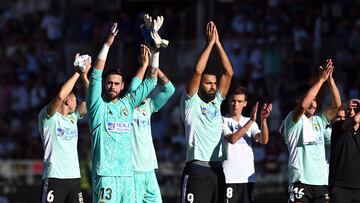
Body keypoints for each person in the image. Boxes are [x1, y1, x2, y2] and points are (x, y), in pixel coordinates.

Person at [86, 23, 158, 203]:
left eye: (116, 83)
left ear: (122, 86)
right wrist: (107, 44)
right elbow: (95, 75)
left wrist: (155, 52)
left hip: (127, 175)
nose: (112, 86)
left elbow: (151, 83)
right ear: (105, 84)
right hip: (106, 175)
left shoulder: (128, 104)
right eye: (109, 83)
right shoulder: (98, 107)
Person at [180, 21, 233, 203]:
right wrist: (209, 44)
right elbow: (197, 71)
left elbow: (228, 73)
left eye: (214, 83)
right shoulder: (190, 102)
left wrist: (218, 43)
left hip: (217, 170)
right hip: (197, 169)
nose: (213, 87)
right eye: (208, 83)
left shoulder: (217, 102)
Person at [283, 59, 341, 203]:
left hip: (321, 182)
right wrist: (321, 80)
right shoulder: (293, 119)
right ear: (298, 100)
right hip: (300, 180)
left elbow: (337, 106)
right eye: (311, 98)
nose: (313, 102)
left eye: (316, 99)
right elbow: (303, 105)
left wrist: (330, 81)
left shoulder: (319, 120)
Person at [38, 53, 90, 203]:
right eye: (75, 100)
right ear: (68, 101)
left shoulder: (73, 118)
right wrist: (76, 72)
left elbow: (90, 102)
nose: (77, 102)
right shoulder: (48, 117)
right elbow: (60, 96)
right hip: (54, 177)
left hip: (74, 178)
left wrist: (85, 76)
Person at [129, 44, 175, 203]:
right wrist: (144, 66)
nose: (144, 92)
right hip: (133, 170)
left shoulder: (148, 106)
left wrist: (154, 66)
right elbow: (133, 89)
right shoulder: (127, 107)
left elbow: (169, 90)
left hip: (149, 169)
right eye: (141, 89)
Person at [222, 86, 272, 203]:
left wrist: (263, 120)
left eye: (239, 101)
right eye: (233, 101)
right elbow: (233, 139)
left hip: (248, 177)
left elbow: (264, 140)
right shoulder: (223, 120)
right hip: (229, 177)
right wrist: (251, 121)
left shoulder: (250, 122)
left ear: (245, 103)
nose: (236, 105)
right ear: (229, 101)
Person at [329, 99, 360, 203]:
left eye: (355, 109)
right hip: (340, 188)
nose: (351, 112)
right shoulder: (338, 127)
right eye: (348, 109)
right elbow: (355, 120)